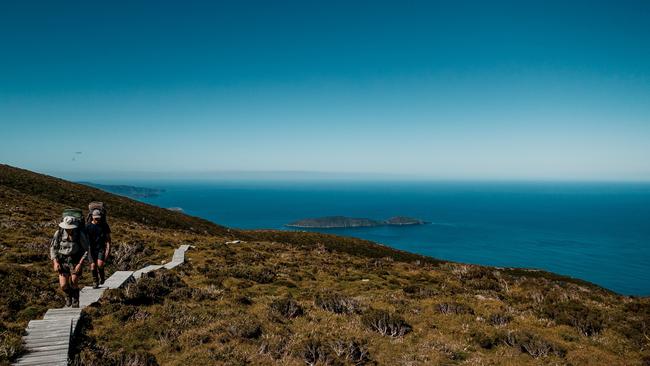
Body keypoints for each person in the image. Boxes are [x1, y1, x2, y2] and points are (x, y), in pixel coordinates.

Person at [49, 216, 89, 307]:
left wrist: (80, 263)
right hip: (62, 260)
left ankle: (75, 299)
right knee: (63, 285)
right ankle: (68, 295)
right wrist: (55, 262)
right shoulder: (58, 233)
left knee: (74, 281)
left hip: (75, 260)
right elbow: (53, 248)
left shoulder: (79, 234)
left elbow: (86, 249)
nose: (68, 230)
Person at [85, 209, 111, 288]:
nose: (97, 220)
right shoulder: (88, 226)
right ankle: (95, 281)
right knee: (93, 265)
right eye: (96, 218)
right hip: (91, 249)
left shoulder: (104, 226)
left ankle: (102, 277)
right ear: (92, 217)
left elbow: (108, 239)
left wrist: (108, 250)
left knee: (100, 264)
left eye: (98, 218)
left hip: (101, 248)